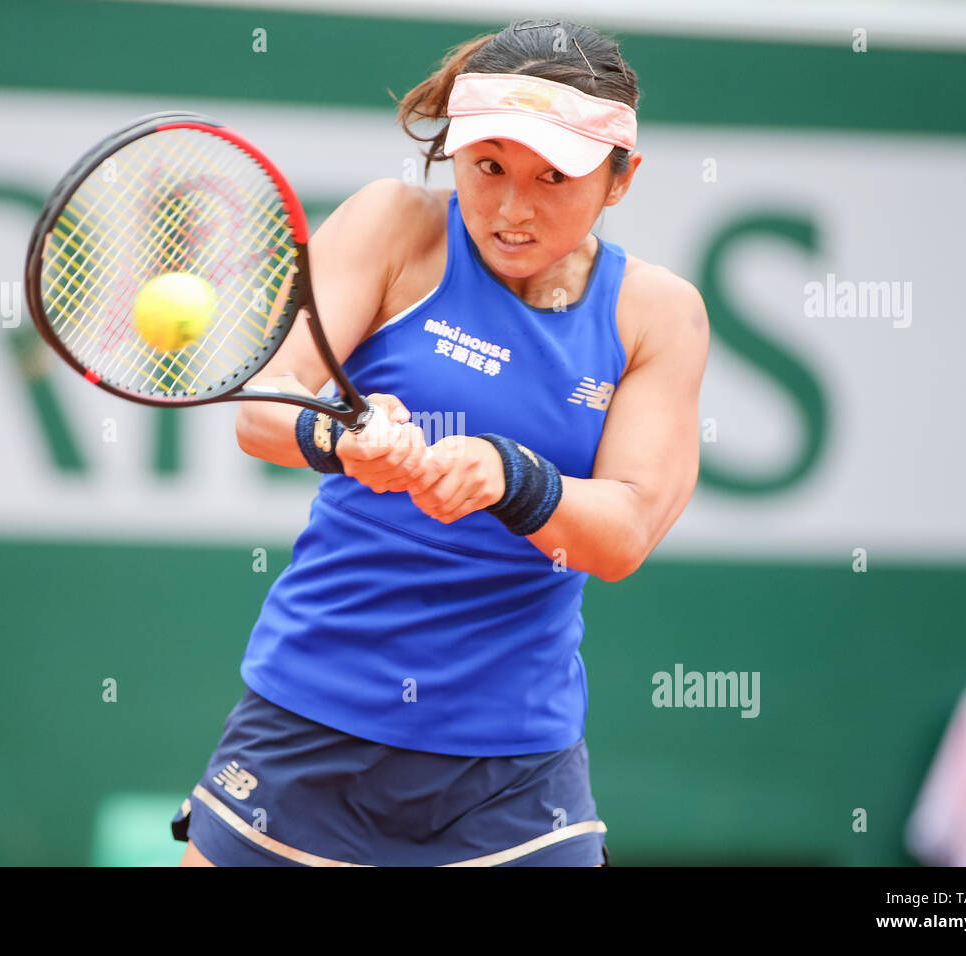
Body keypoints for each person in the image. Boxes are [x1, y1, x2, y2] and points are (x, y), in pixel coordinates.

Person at [172, 17, 709, 867]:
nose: (511, 207)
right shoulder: (395, 225)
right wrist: (345, 439)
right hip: (309, 724)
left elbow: (625, 533)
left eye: (553, 178)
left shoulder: (657, 314)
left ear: (620, 179)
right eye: (487, 166)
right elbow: (262, 410)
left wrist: (509, 477)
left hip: (512, 772)